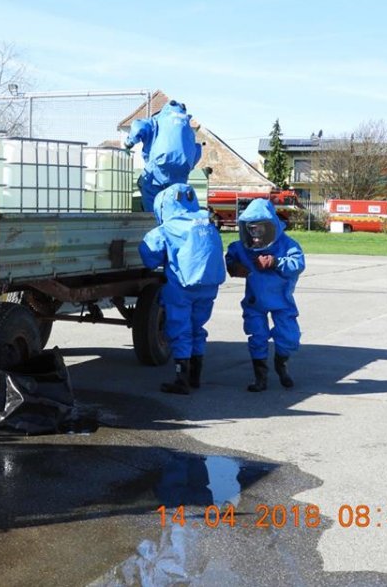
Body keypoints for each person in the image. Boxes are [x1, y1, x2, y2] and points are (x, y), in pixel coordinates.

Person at [139, 183, 226, 394]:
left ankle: (182, 379)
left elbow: (149, 254)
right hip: (209, 286)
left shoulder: (170, 227)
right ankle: (195, 376)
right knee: (198, 329)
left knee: (180, 330)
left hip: (182, 286)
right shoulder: (206, 220)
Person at [225, 198, 305, 391]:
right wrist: (234, 267)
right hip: (255, 301)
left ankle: (281, 364)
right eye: (251, 229)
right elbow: (230, 256)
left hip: (282, 299)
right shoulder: (243, 247)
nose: (256, 235)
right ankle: (260, 377)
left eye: (260, 229)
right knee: (257, 335)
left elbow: (298, 264)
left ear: (270, 226)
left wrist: (275, 262)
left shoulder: (286, 244)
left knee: (289, 336)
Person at [125, 100, 202, 212]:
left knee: (148, 188)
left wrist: (129, 142)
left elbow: (139, 126)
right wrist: (188, 166)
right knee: (176, 199)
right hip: (182, 170)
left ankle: (152, 220)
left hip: (159, 165)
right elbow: (197, 150)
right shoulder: (187, 126)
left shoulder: (157, 120)